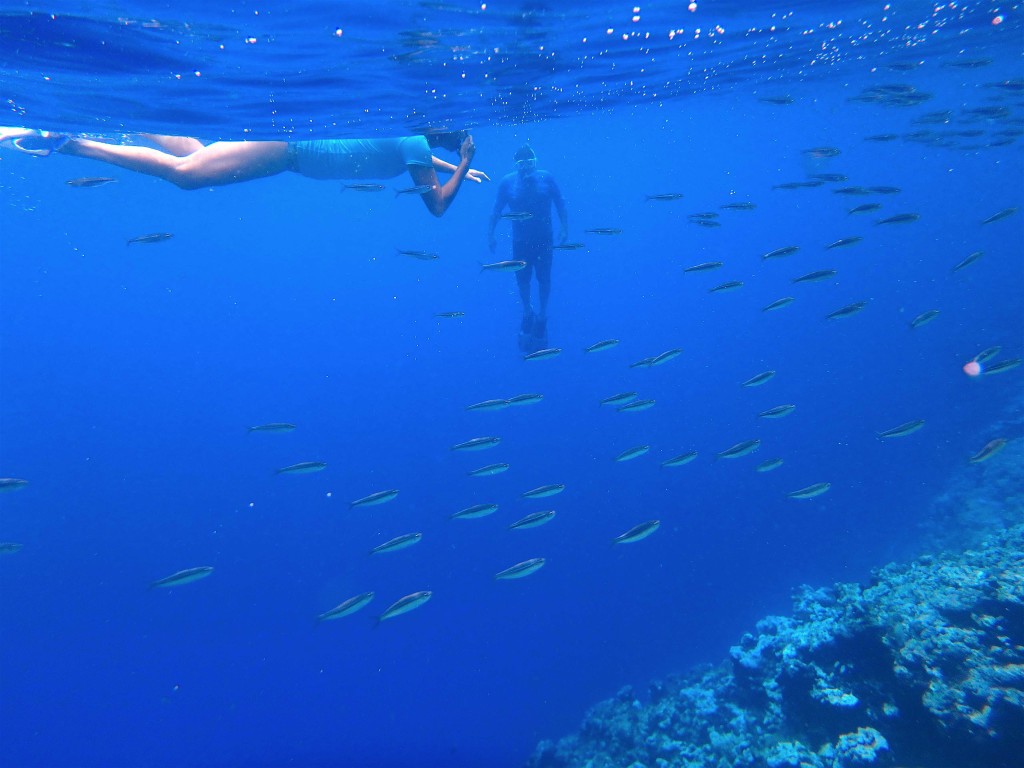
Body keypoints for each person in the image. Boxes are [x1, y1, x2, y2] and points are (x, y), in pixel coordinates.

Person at [0, 127, 489, 217]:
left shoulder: (412, 141)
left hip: (286, 151)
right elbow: (438, 208)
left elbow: (397, 151)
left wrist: (454, 166)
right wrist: (463, 162)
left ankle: (130, 120)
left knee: (198, 152)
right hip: (284, 154)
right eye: (455, 132)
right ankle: (65, 143)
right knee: (187, 174)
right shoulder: (417, 147)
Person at [487, 144, 567, 352]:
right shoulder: (507, 182)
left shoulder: (546, 178)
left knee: (544, 278)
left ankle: (542, 316)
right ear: (516, 165)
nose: (526, 168)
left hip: (544, 240)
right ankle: (527, 312)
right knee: (522, 280)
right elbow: (496, 209)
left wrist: (564, 228)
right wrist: (491, 234)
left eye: (530, 163)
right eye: (522, 164)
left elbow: (560, 203)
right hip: (520, 242)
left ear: (535, 162)